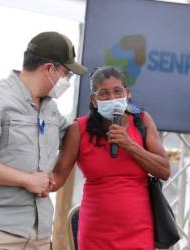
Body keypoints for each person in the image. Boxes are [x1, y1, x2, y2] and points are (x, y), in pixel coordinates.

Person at [0, 31, 87, 250]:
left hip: (40, 235)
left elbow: (72, 136)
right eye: (67, 74)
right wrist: (28, 180)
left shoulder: (51, 109)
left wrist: (57, 176)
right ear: (49, 69)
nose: (67, 81)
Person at [50, 66, 170, 250]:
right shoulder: (78, 129)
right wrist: (25, 179)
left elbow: (164, 170)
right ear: (94, 100)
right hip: (96, 231)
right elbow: (57, 177)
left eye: (117, 91)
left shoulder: (142, 121)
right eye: (104, 94)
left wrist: (129, 145)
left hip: (139, 229)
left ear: (127, 94)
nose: (113, 98)